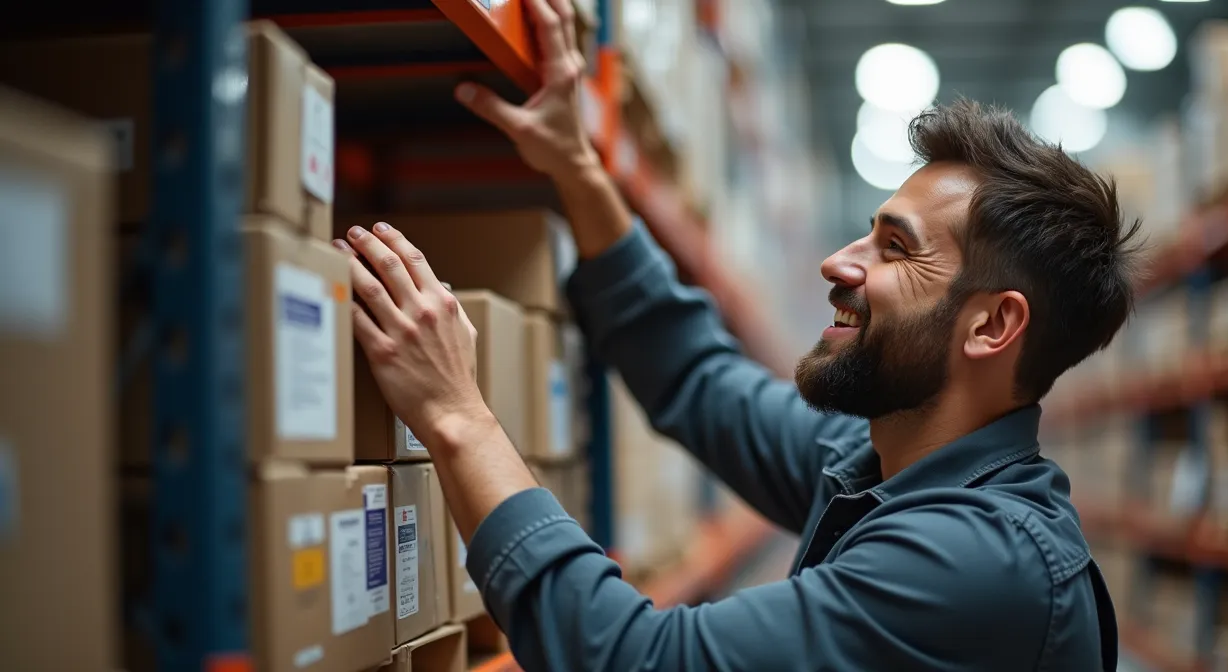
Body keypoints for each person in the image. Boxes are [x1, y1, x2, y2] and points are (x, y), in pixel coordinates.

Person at [332, 0, 1137, 668]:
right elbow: (700, 382)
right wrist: (580, 169)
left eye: (895, 248)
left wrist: (456, 418)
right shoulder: (887, 464)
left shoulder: (982, 563)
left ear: (993, 325)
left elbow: (633, 659)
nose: (837, 262)